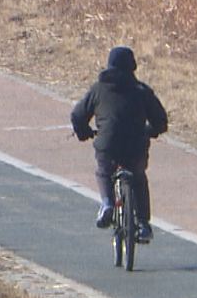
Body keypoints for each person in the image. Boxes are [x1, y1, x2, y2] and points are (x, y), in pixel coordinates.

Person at [71, 46, 169, 244]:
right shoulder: (141, 91)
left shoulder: (98, 89)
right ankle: (143, 223)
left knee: (104, 171)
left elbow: (78, 115)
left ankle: (107, 203)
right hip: (135, 146)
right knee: (138, 178)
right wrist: (151, 130)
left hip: (108, 144)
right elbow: (161, 120)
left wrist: (84, 133)